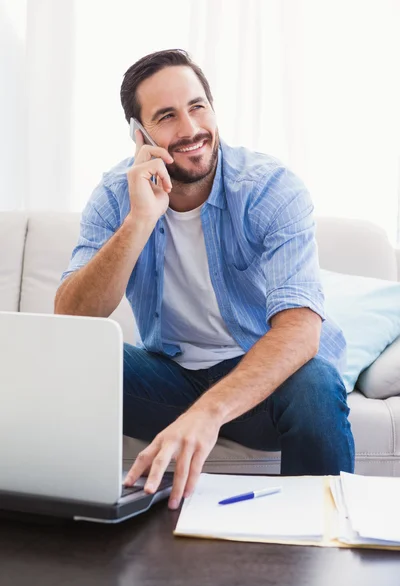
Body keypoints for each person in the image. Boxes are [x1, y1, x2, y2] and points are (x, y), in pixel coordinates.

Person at [55, 49, 355, 510]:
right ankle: (69, 521)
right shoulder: (117, 194)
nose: (191, 129)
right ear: (140, 136)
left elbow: (300, 330)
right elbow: (72, 317)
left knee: (316, 386)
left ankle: (327, 538)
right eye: (167, 116)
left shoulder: (270, 188)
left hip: (265, 388)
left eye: (198, 107)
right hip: (171, 378)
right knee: (72, 356)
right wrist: (138, 221)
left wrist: (207, 414)